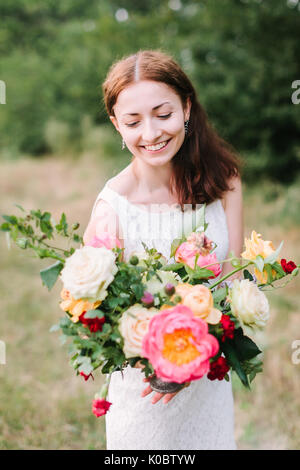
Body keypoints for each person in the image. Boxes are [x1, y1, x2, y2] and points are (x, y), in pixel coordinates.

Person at [83, 49, 244, 450]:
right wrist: (160, 364)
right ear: (116, 125)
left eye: (163, 114)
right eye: (133, 121)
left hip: (207, 388)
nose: (151, 133)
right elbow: (91, 314)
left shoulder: (225, 183)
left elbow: (237, 283)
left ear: (186, 107)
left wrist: (200, 355)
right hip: (146, 396)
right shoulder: (112, 206)